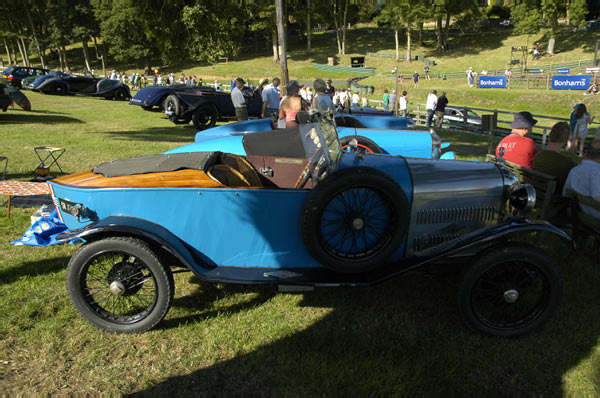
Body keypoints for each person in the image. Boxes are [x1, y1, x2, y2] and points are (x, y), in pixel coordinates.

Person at [533, 122, 578, 191]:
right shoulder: (567, 164)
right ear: (566, 140)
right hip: (553, 198)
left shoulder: (538, 156)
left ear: (550, 135)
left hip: (537, 193)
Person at [563, 146, 600, 221]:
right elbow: (597, 197)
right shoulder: (597, 172)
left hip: (579, 212)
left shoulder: (575, 170)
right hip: (594, 216)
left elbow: (565, 193)